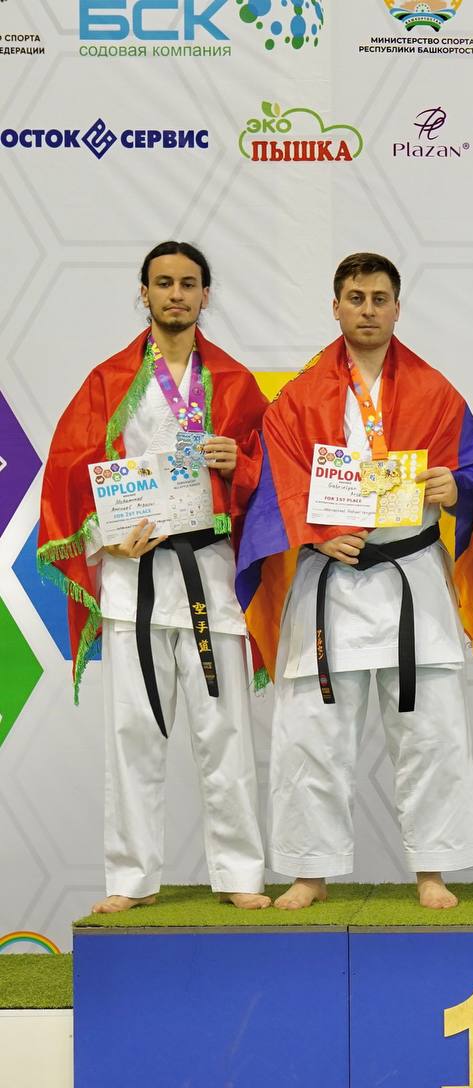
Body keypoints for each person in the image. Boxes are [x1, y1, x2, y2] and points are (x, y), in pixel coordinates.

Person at [235, 252, 473, 910]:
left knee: (430, 733)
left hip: (412, 579)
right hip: (330, 580)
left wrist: (455, 486)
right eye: (355, 297)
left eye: (379, 298)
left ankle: (433, 869)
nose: (367, 309)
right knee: (311, 735)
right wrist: (313, 533)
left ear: (398, 308)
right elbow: (273, 481)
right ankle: (309, 872)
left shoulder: (436, 391)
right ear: (336, 306)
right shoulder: (298, 398)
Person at [38, 241, 270, 913]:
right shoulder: (108, 380)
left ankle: (239, 873)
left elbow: (272, 473)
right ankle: (130, 878)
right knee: (133, 735)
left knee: (225, 731)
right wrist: (103, 537)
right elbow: (70, 469)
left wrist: (238, 465)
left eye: (188, 283)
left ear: (205, 294)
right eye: (163, 283)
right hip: (133, 577)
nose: (176, 294)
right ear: (144, 293)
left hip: (210, 577)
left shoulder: (235, 383)